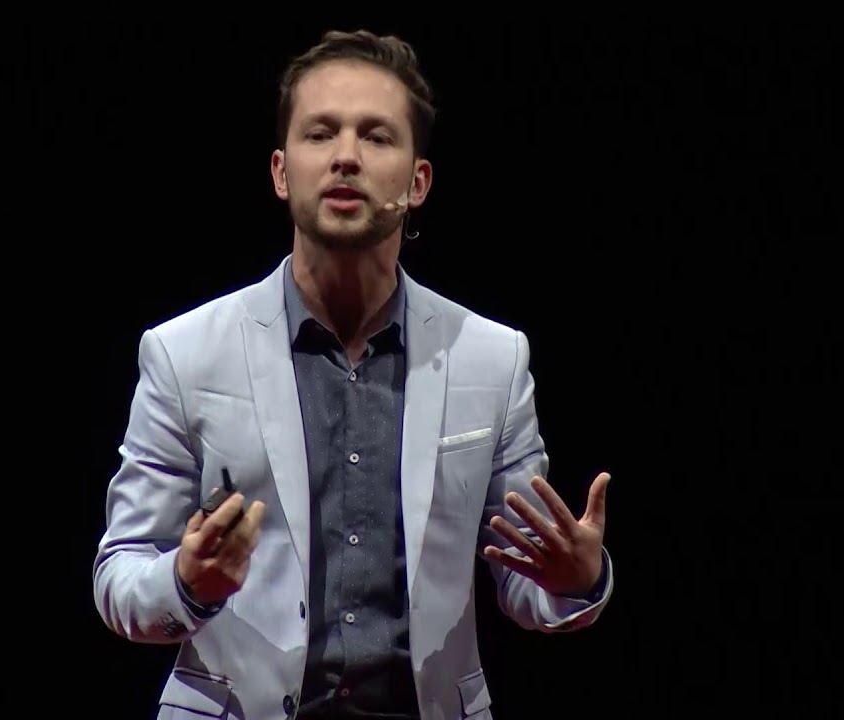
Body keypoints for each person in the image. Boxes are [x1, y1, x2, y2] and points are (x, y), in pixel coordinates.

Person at [92, 29, 614, 720]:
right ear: (281, 172)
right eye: (320, 134)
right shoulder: (183, 353)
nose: (345, 156)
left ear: (417, 180)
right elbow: (120, 574)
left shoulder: (492, 357)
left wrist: (575, 581)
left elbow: (524, 582)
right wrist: (187, 582)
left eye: (375, 136)